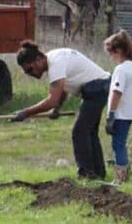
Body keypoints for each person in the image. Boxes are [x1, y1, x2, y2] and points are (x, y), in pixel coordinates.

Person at [14, 40, 111, 180]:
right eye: (26, 72)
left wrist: (26, 112)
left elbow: (52, 99)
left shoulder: (56, 63)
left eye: (30, 69)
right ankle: (98, 174)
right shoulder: (55, 60)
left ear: (38, 59)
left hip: (97, 88)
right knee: (89, 132)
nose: (31, 73)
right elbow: (62, 90)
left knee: (79, 132)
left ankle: (86, 175)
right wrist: (57, 109)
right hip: (99, 87)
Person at [103, 30, 132, 185]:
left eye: (111, 53)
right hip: (130, 111)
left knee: (118, 144)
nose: (111, 57)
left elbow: (117, 93)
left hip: (121, 113)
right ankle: (125, 173)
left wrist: (111, 114)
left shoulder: (121, 69)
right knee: (121, 143)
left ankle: (120, 178)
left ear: (118, 51)